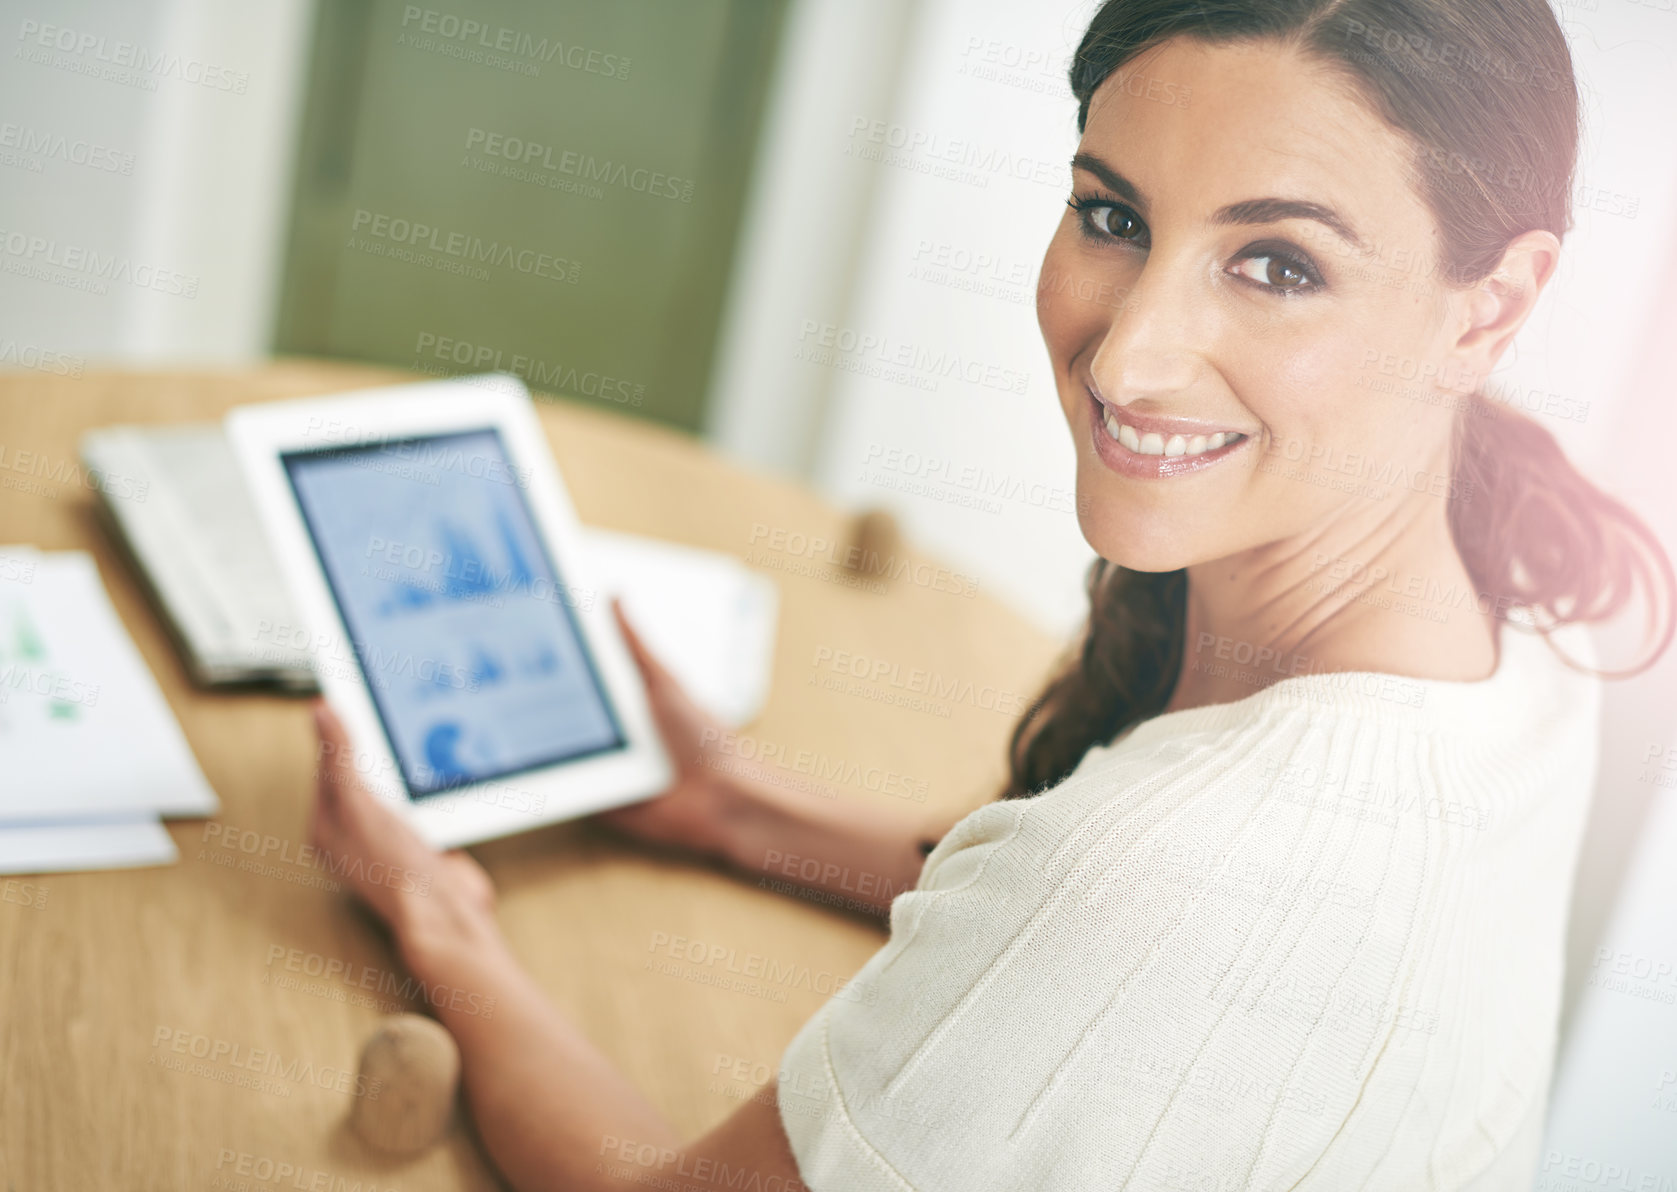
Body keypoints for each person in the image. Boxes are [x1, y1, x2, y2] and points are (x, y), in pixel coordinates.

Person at [308, 0, 1675, 1187]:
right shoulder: (1518, 621)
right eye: (1111, 216)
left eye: (1276, 265)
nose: (1129, 358)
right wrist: (731, 803)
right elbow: (1108, 949)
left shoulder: (1166, 874)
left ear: (1489, 310)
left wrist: (441, 920)